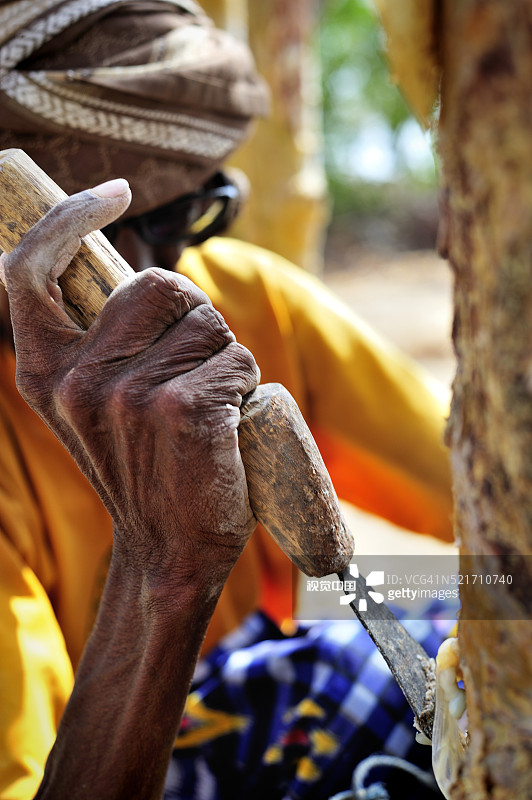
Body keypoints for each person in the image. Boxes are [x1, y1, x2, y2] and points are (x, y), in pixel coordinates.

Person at [0, 1, 455, 798]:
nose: (184, 267)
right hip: (130, 755)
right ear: (37, 245)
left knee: (472, 609)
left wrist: (485, 603)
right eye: (170, 219)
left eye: (209, 213)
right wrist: (163, 566)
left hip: (278, 667)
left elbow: (474, 503)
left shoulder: (243, 300)